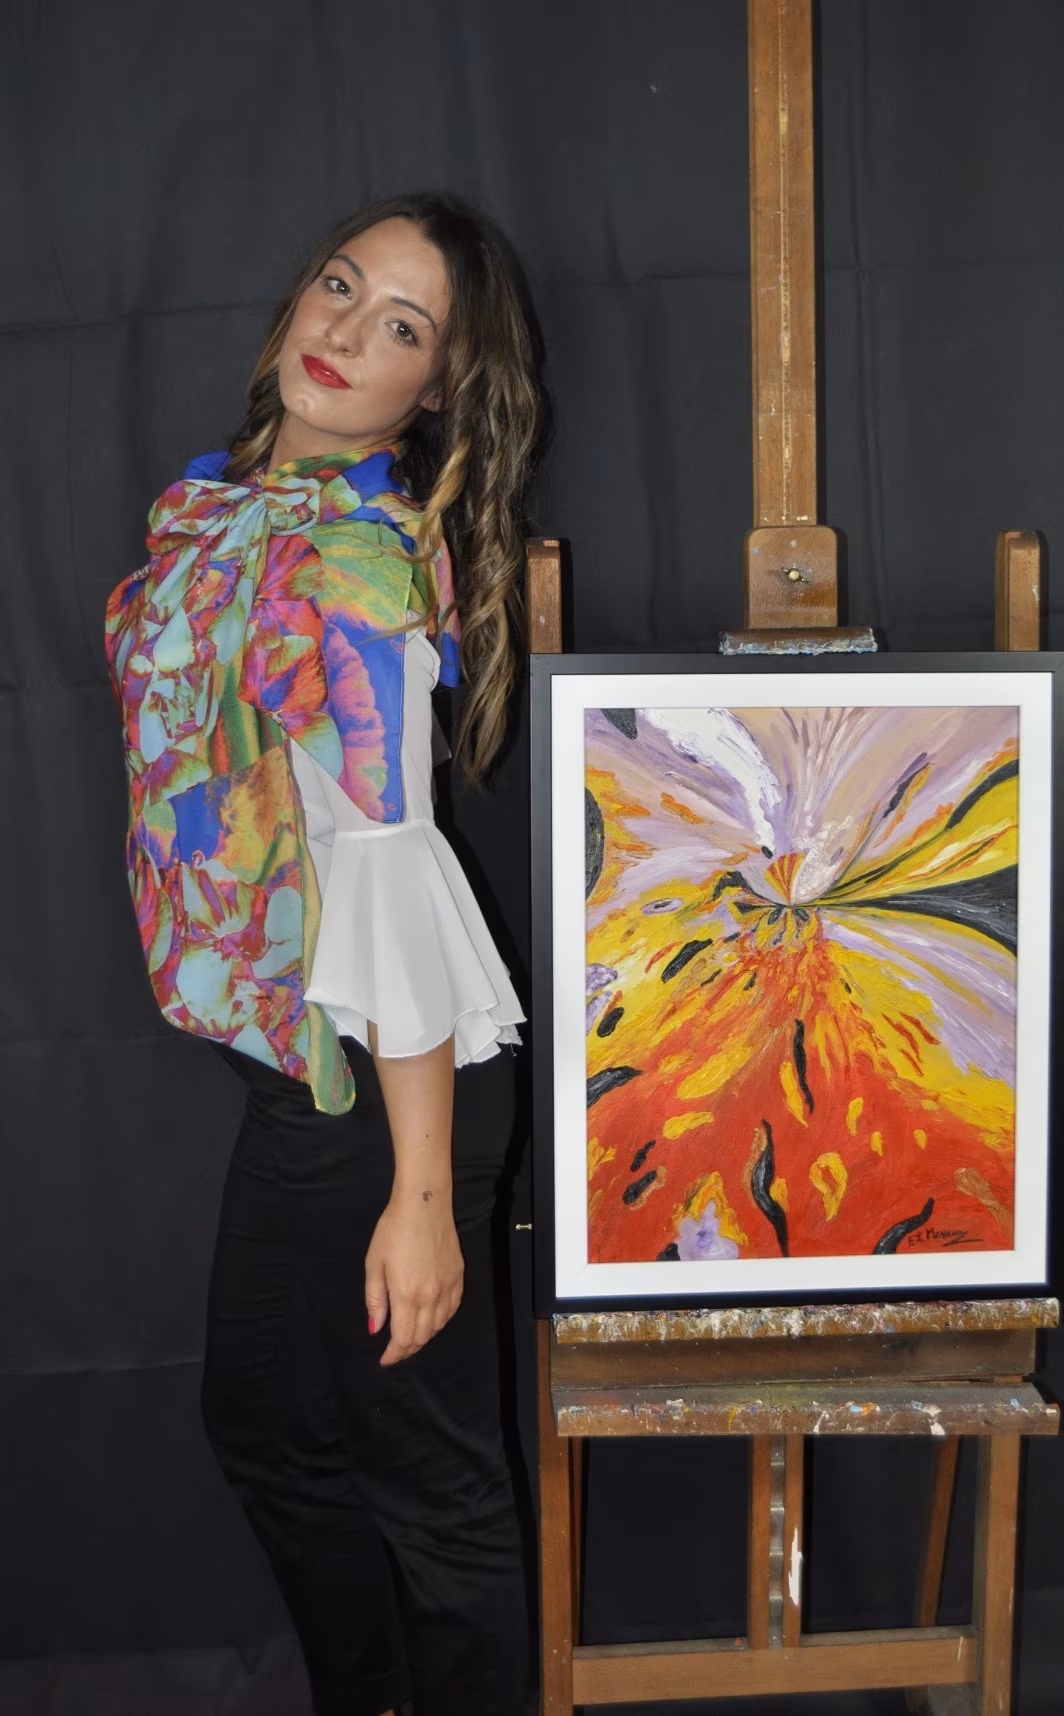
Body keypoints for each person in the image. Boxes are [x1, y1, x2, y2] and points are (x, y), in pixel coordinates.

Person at [105, 191, 547, 1716]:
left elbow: (387, 861)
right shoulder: (226, 515)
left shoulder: (351, 563)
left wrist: (422, 1199)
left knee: (427, 1477)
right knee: (275, 1430)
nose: (347, 333)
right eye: (343, 288)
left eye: (400, 327)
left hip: (381, 1083)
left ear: (436, 390)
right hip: (311, 1072)